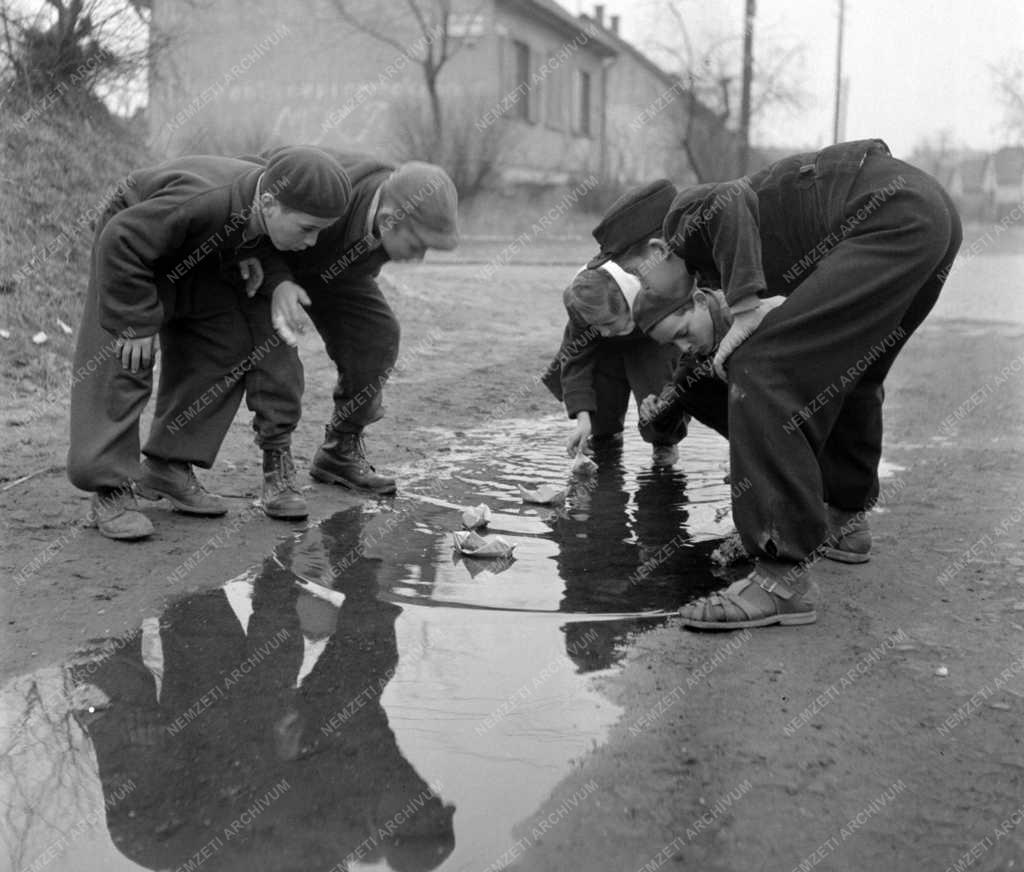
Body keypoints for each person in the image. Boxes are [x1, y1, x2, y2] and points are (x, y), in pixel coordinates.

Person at [579, 139, 962, 630]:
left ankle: (781, 582)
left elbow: (731, 199)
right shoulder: (729, 254)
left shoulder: (682, 221)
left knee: (760, 366)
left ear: (657, 251)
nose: (643, 287)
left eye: (638, 275)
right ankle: (845, 522)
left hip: (886, 215)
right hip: (926, 213)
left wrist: (743, 310)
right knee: (855, 370)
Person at [67, 147, 351, 540]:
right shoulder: (202, 201)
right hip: (129, 245)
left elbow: (259, 236)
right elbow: (122, 239)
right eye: (307, 229)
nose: (313, 241)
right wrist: (135, 322)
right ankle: (108, 487)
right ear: (269, 204)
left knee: (228, 339)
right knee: (126, 354)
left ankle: (168, 464)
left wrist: (275, 276)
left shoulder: (266, 199)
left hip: (190, 247)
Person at [234, 149, 459, 511]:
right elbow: (254, 207)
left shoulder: (394, 202)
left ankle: (340, 449)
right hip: (267, 260)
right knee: (279, 356)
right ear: (388, 220)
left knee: (377, 336)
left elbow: (361, 266)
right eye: (417, 246)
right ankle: (276, 465)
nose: (419, 258)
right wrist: (278, 283)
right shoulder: (333, 192)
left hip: (333, 269)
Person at [545, 180, 688, 467]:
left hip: (651, 343)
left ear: (628, 301)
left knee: (658, 390)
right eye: (598, 328)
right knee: (600, 390)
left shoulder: (656, 291)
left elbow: (684, 354)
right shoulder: (586, 307)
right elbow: (575, 364)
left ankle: (663, 443)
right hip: (605, 356)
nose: (604, 331)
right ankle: (604, 439)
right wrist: (583, 421)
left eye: (609, 323)